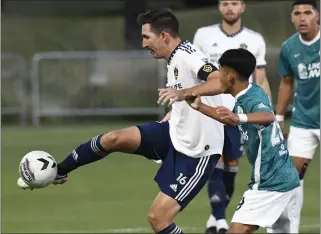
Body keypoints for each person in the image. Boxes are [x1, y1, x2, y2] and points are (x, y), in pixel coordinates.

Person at [18, 8, 228, 234]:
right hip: (173, 132)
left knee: (158, 219)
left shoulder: (189, 56)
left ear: (164, 36)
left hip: (197, 152)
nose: (144, 44)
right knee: (113, 139)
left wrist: (183, 93)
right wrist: (178, 108)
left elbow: (219, 81)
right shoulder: (174, 57)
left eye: (147, 37)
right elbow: (187, 97)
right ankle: (60, 170)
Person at [158, 48, 300, 233]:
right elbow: (232, 120)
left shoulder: (252, 99)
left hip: (270, 184)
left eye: (220, 73)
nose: (218, 80)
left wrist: (239, 118)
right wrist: (201, 107)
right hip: (287, 180)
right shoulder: (250, 92)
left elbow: (267, 116)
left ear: (231, 77)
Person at [193, 1, 272, 232]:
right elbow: (195, 72)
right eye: (225, 3)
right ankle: (219, 220)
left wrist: (267, 112)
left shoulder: (255, 39)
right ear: (219, 7)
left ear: (243, 7)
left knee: (232, 164)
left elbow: (261, 78)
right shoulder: (203, 35)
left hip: (239, 114)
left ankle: (215, 218)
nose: (230, 8)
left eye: (234, 3)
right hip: (211, 110)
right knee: (213, 161)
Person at [275, 0, 320, 229]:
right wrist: (279, 118)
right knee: (292, 179)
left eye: (308, 13)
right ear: (292, 18)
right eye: (297, 13)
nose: (302, 17)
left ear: (318, 16)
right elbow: (286, 82)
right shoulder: (289, 48)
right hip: (303, 121)